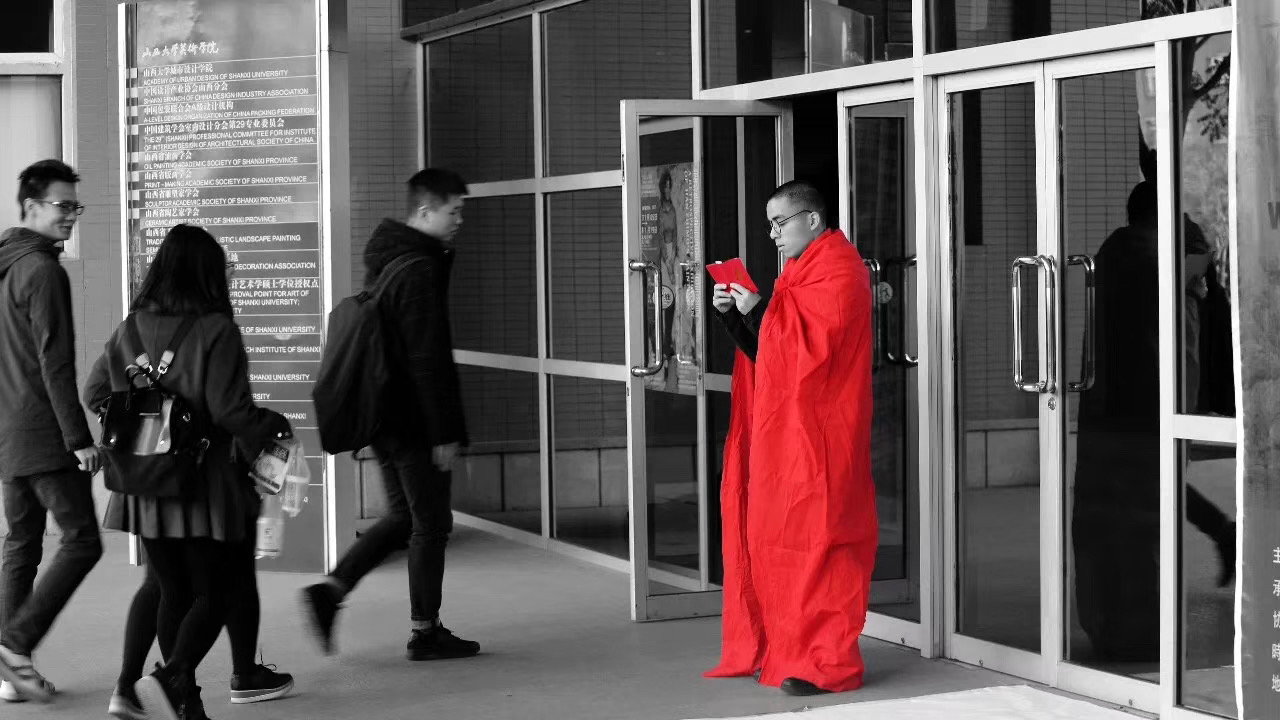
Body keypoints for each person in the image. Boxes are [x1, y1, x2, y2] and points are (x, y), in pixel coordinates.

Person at [84, 224, 291, 720]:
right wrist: (277, 424)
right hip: (204, 481)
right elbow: (230, 412)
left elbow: (95, 393)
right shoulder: (216, 329)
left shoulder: (130, 326)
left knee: (171, 588)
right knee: (217, 589)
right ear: (209, 275)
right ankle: (171, 675)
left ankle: (183, 698)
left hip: (144, 484)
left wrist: (145, 419)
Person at [704, 180, 878, 696]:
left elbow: (809, 353)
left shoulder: (841, 271)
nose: (774, 234)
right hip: (795, 437)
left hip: (825, 436)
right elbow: (771, 355)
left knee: (825, 546)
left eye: (781, 223)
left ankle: (828, 663)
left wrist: (758, 308)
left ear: (814, 220)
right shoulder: (800, 272)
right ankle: (788, 652)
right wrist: (735, 314)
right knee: (786, 546)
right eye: (770, 225)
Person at [302, 169, 477, 663]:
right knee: (431, 525)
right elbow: (427, 358)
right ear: (424, 210)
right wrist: (444, 432)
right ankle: (425, 631)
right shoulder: (418, 268)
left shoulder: (390, 260)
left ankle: (332, 590)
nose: (459, 220)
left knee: (404, 517)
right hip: (414, 420)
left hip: (385, 415)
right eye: (453, 210)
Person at [0, 159, 104, 703]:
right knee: (83, 541)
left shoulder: (5, 265)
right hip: (43, 432)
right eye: (63, 207)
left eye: (75, 207)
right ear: (31, 206)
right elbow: (54, 362)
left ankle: (8, 672)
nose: (71, 217)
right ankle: (14, 645)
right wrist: (79, 439)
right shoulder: (42, 271)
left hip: (9, 433)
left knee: (21, 545)